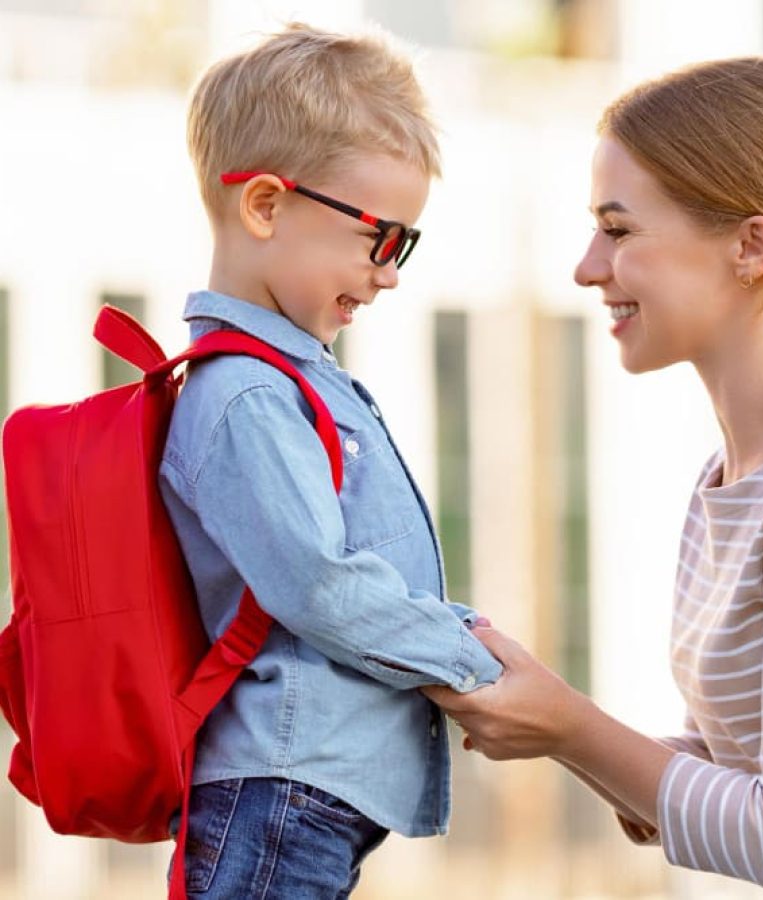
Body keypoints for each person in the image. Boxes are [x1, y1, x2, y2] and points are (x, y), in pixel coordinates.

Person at [423, 56, 763, 899]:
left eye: (619, 229)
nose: (586, 267)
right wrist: (550, 718)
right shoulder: (734, 473)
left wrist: (568, 727)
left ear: (752, 246)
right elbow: (750, 766)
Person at [159, 22, 501, 899]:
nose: (388, 274)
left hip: (301, 801)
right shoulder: (246, 396)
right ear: (266, 205)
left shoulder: (293, 382)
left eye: (403, 246)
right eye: (379, 237)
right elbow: (316, 583)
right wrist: (467, 657)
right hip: (279, 797)